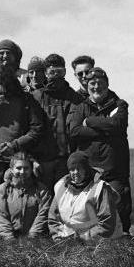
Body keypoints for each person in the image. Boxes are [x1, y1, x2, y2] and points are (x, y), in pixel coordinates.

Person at [0, 63, 46, 216]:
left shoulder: (27, 100)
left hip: (16, 159)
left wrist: (14, 145)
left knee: (16, 199)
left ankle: (15, 233)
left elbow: (37, 129)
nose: (4, 87)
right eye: (0, 82)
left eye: (6, 82)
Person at [69, 67, 132, 232]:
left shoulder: (119, 104)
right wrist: (106, 130)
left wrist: (89, 121)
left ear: (107, 84)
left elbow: (117, 125)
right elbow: (75, 131)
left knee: (119, 212)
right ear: (87, 85)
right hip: (90, 173)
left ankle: (122, 247)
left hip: (115, 172)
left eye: (100, 83)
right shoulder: (81, 106)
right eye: (92, 83)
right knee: (90, 214)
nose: (96, 87)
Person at [31, 53, 84, 188]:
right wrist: (31, 159)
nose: (55, 76)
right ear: (46, 73)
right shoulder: (35, 97)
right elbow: (27, 129)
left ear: (65, 72)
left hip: (66, 161)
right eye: (52, 72)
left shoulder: (76, 98)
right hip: (42, 161)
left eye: (59, 72)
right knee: (44, 201)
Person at [48, 152, 121, 242]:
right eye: (72, 169)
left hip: (98, 243)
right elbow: (53, 217)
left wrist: (80, 239)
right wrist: (58, 237)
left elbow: (106, 224)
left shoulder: (100, 188)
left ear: (86, 169)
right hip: (68, 242)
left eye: (79, 169)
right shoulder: (61, 187)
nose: (75, 172)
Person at [0, 153, 53, 240]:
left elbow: (44, 214)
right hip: (8, 240)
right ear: (11, 170)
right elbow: (0, 215)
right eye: (18, 168)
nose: (22, 172)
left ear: (31, 169)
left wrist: (33, 236)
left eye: (26, 168)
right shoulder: (2, 190)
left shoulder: (41, 189)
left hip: (36, 240)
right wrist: (9, 238)